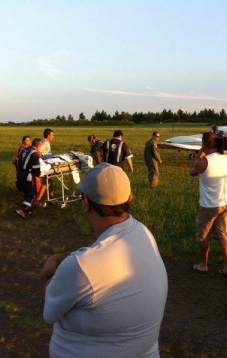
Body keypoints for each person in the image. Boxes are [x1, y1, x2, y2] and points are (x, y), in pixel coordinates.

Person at [41, 163, 168, 357]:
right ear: (130, 198)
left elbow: (50, 314)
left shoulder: (80, 266)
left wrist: (50, 275)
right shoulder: (143, 232)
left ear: (85, 203)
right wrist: (65, 258)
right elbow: (100, 259)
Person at [190, 131, 227, 277]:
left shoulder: (203, 162)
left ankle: (204, 264)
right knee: (223, 235)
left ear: (204, 144)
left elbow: (192, 172)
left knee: (202, 236)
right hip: (225, 202)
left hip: (209, 205)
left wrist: (200, 153)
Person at [15, 138, 43, 219]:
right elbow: (36, 168)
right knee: (33, 193)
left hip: (19, 173)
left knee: (27, 191)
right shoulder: (34, 154)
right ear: (38, 146)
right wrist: (38, 174)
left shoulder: (24, 149)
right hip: (28, 175)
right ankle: (23, 209)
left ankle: (29, 211)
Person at [36, 128, 54, 204]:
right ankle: (37, 200)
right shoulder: (45, 143)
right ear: (48, 135)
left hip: (46, 164)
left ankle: (51, 197)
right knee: (46, 182)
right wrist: (42, 160)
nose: (53, 137)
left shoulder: (44, 141)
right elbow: (38, 151)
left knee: (49, 181)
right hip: (45, 166)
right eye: (52, 135)